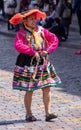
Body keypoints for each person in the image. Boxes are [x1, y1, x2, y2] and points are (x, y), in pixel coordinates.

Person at [9, 9, 61, 122]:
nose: (34, 21)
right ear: (25, 21)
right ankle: (28, 114)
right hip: (28, 63)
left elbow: (54, 39)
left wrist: (47, 50)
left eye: (35, 19)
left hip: (42, 62)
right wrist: (32, 52)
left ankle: (48, 113)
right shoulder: (21, 33)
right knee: (30, 89)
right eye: (31, 19)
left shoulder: (41, 30)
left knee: (47, 87)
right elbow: (18, 45)